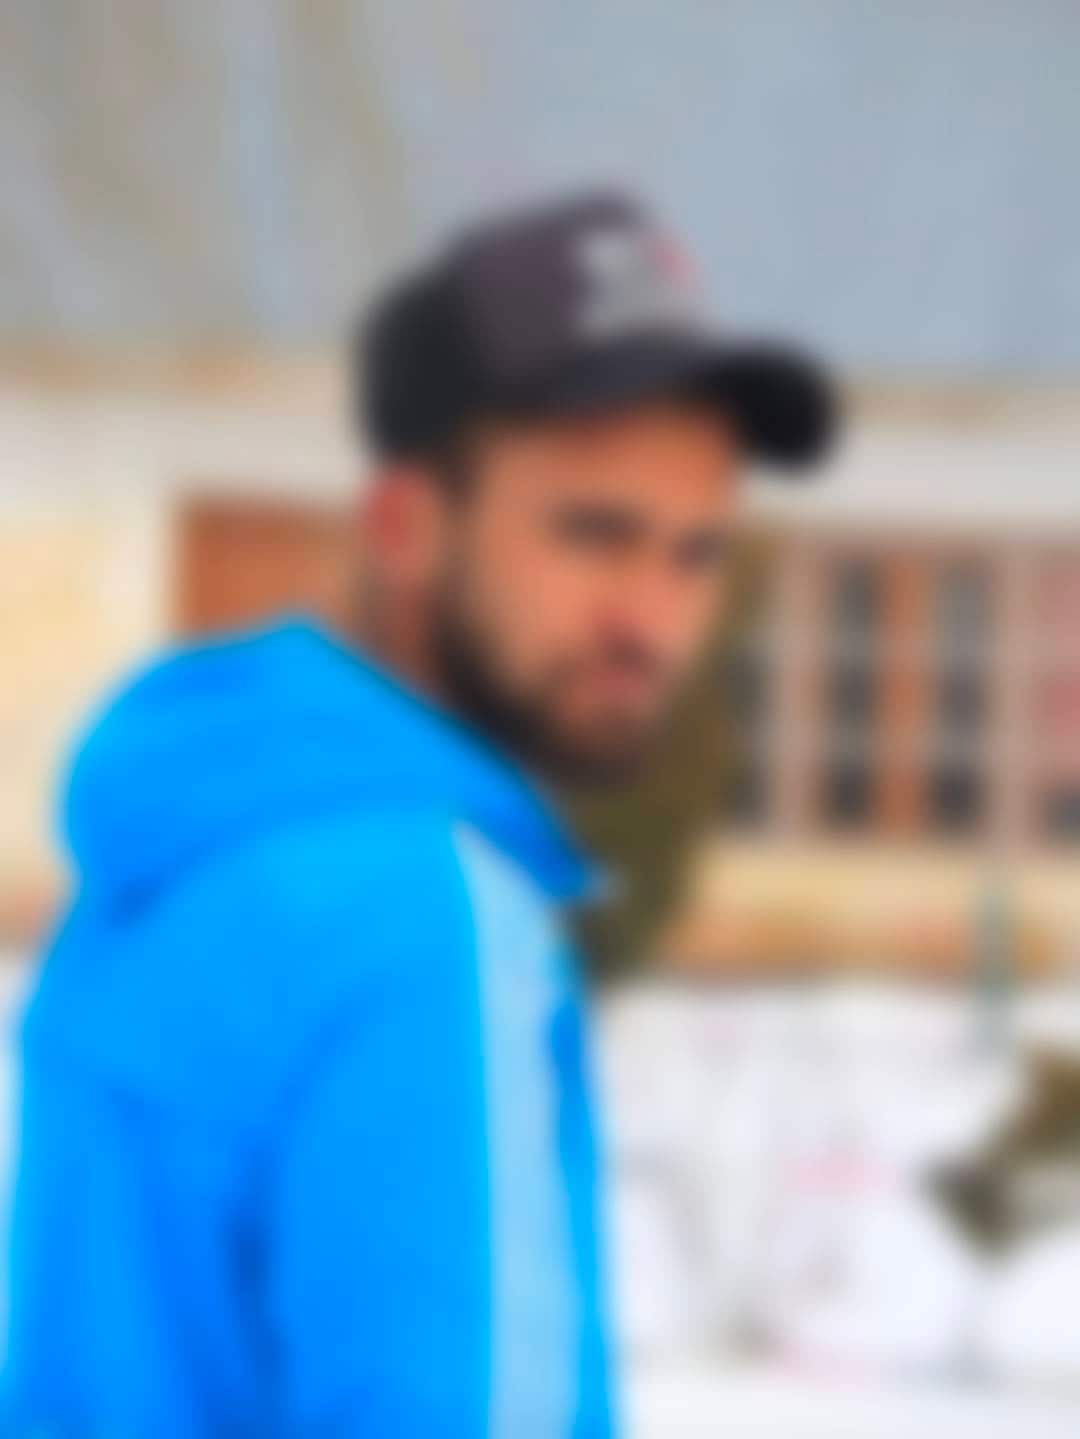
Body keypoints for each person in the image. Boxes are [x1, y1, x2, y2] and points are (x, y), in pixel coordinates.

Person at [3, 190, 836, 1436]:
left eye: (696, 552)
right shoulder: (430, 918)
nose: (650, 617)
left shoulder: (180, 848)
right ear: (406, 523)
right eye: (593, 532)